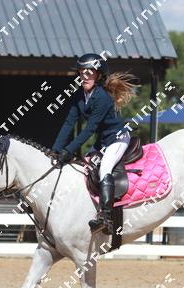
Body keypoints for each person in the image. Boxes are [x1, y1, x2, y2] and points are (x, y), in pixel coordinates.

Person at [51, 53, 137, 234]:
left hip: (117, 139)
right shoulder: (79, 96)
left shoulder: (102, 98)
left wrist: (68, 150)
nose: (85, 76)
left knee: (105, 168)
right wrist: (55, 150)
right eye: (82, 72)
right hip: (102, 141)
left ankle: (106, 217)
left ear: (98, 75)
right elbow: (69, 123)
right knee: (86, 169)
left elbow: (89, 129)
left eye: (89, 72)